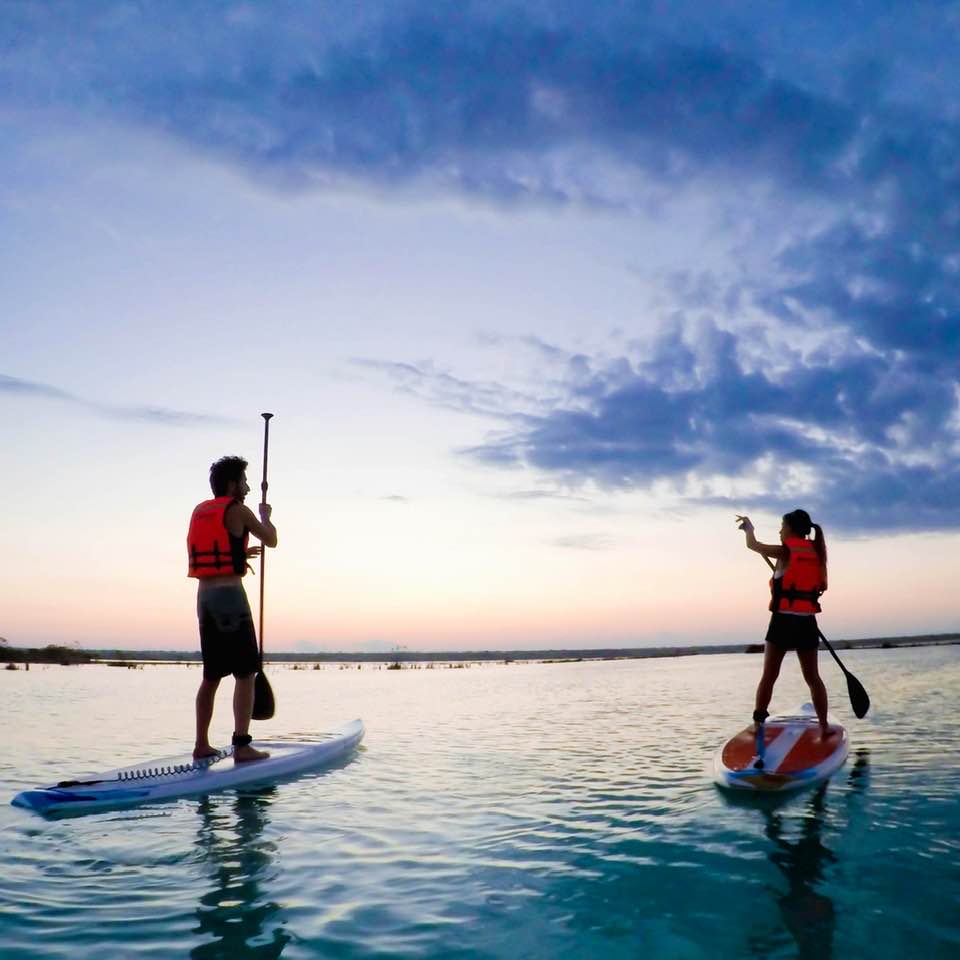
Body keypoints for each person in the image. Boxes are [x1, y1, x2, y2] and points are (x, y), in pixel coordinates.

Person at [187, 455, 277, 762]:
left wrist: (241, 556)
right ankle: (242, 746)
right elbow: (272, 539)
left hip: (205, 600)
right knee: (245, 673)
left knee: (211, 676)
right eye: (244, 481)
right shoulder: (239, 510)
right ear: (232, 484)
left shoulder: (200, 511)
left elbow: (222, 546)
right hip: (231, 600)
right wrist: (265, 516)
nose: (249, 487)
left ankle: (201, 744)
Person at [736, 509, 835, 739]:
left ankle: (758, 725)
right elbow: (821, 587)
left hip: (782, 621)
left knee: (769, 676)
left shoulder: (784, 550)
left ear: (791, 528)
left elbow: (753, 545)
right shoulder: (817, 553)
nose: (780, 530)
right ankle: (824, 727)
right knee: (813, 678)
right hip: (806, 623)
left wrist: (749, 529)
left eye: (782, 525)